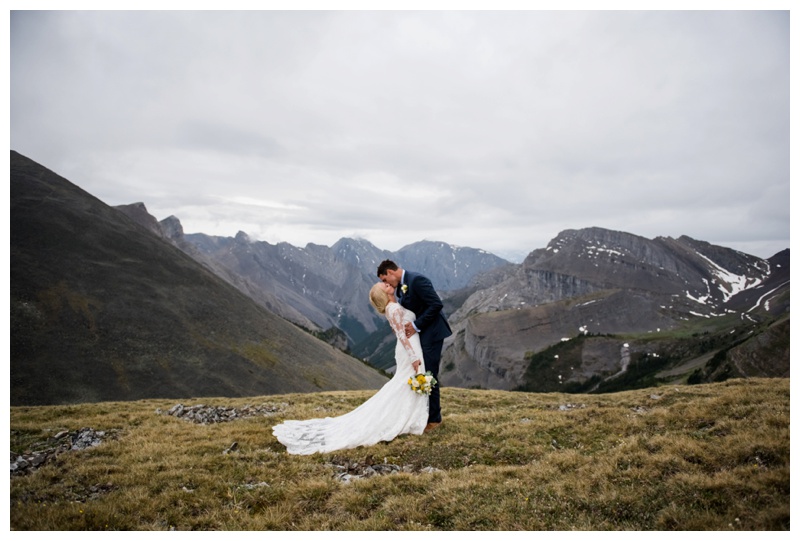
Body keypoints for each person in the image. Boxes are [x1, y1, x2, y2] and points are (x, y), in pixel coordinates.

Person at [272, 281, 428, 455]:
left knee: (407, 382)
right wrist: (413, 356)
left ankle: (409, 418)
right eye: (384, 286)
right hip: (409, 350)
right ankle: (404, 419)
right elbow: (400, 333)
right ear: (383, 294)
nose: (387, 284)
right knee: (405, 382)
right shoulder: (393, 308)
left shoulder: (394, 306)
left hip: (410, 346)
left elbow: (398, 330)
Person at [377, 259, 452, 432]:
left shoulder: (416, 280)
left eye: (385, 280)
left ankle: (434, 419)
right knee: (424, 373)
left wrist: (417, 325)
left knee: (430, 374)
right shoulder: (402, 286)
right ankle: (424, 415)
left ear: (390, 273)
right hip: (421, 335)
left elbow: (436, 304)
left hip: (432, 333)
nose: (385, 284)